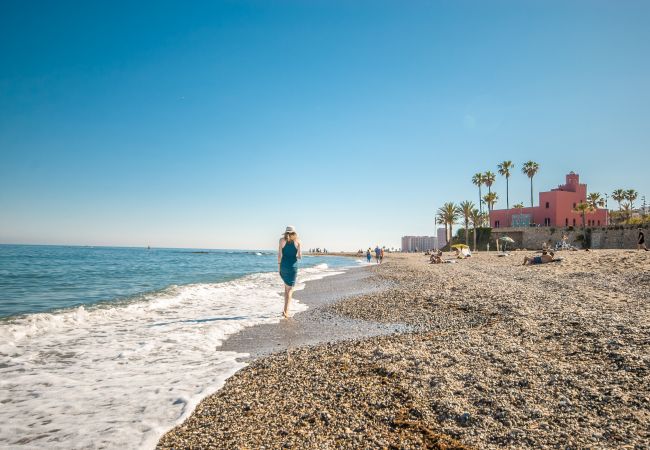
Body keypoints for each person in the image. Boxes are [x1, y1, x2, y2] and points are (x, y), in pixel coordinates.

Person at [278, 225, 302, 318]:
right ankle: (286, 311)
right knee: (290, 290)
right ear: (294, 232)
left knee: (286, 289)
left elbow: (279, 255)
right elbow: (299, 256)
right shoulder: (298, 241)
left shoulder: (281, 240)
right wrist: (293, 255)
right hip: (292, 266)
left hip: (283, 266)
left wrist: (279, 267)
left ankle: (284, 310)